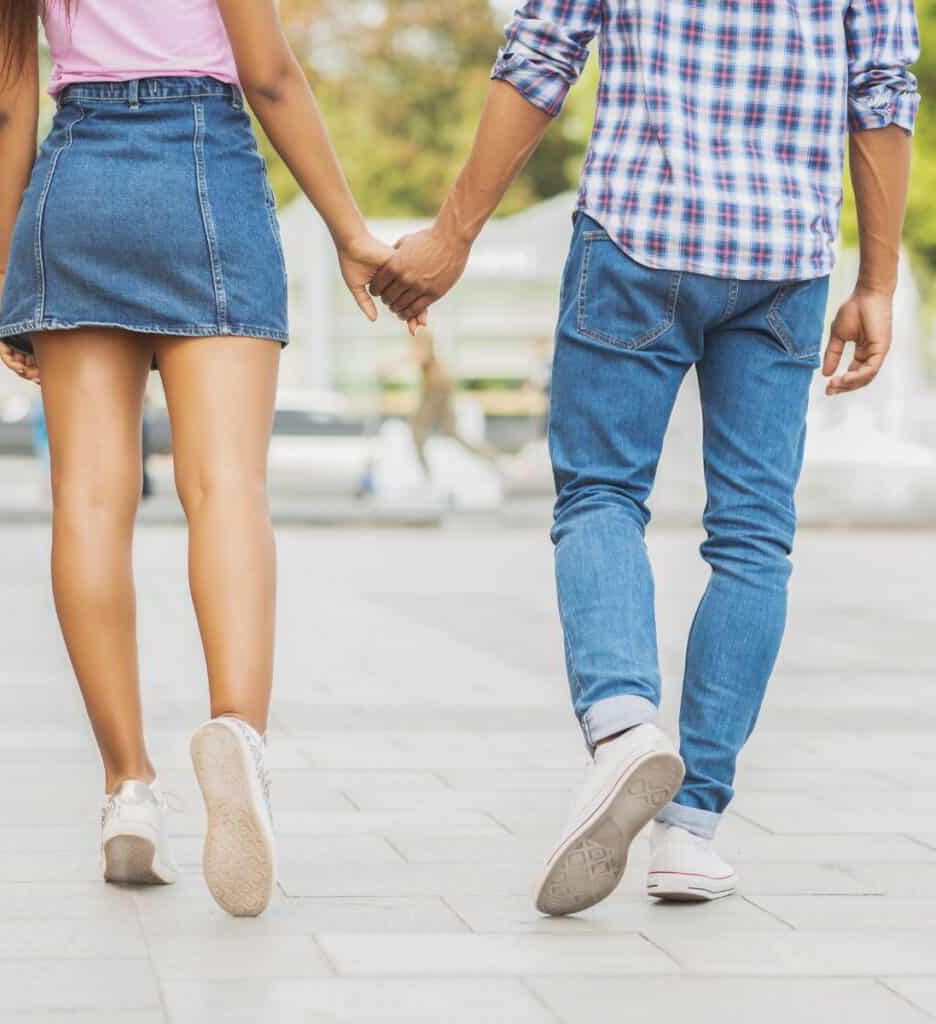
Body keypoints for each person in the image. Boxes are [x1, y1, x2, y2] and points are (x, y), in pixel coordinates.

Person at [372, 0, 919, 914]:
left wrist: (454, 234)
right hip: (782, 257)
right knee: (753, 539)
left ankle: (623, 726)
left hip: (636, 234)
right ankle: (691, 831)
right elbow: (882, 91)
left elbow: (543, 53)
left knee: (601, 497)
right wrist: (878, 282)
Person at [0, 0, 418, 917]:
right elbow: (268, 75)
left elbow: (9, 108)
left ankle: (128, 791)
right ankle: (238, 741)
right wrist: (349, 230)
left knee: (90, 503)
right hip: (203, 168)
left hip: (76, 184)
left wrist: (12, 277)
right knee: (225, 490)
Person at [408, 328, 494, 478]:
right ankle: (491, 458)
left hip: (437, 392)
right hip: (439, 391)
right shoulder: (426, 350)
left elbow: (422, 356)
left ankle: (427, 475)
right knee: (450, 433)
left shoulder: (423, 343)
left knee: (419, 431)